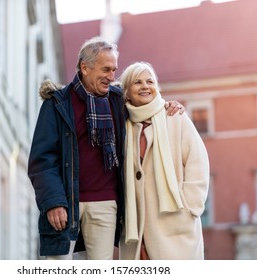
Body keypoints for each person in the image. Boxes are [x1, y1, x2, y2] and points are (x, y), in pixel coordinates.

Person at [28, 37, 184, 260]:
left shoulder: (118, 100)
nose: (112, 76)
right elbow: (41, 160)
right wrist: (53, 202)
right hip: (66, 203)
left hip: (106, 203)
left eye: (114, 70)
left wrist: (167, 105)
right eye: (106, 69)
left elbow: (146, 105)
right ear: (85, 67)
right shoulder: (56, 104)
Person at [119, 61, 209, 260]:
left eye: (150, 81)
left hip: (174, 222)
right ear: (126, 91)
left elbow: (198, 161)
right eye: (137, 82)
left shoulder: (175, 117)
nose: (145, 86)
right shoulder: (121, 125)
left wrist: (191, 206)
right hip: (137, 229)